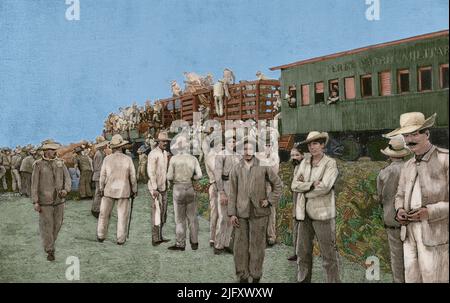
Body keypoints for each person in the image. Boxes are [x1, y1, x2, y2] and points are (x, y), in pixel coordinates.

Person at [386, 112, 448, 283]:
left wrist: (429, 212)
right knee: (412, 278)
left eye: (414, 134)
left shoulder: (445, 159)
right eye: (406, 135)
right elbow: (399, 195)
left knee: (434, 278)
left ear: (427, 134)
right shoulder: (407, 165)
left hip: (435, 235)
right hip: (409, 234)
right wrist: (399, 210)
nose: (409, 139)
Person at [228, 139, 282, 283]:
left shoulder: (263, 165)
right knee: (240, 246)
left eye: (250, 149)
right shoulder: (236, 168)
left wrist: (269, 200)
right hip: (241, 213)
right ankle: (242, 276)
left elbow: (277, 184)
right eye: (244, 149)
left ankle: (256, 275)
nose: (247, 152)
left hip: (259, 212)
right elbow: (232, 192)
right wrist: (232, 213)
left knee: (257, 245)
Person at [291, 131, 340, 283]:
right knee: (302, 254)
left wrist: (304, 191)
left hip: (322, 214)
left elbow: (325, 187)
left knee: (328, 255)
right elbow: (294, 185)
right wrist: (311, 184)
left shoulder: (330, 163)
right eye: (310, 144)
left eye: (315, 144)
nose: (312, 147)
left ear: (322, 145)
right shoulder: (304, 163)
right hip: (303, 214)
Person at [376, 135, 410, 283]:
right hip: (411, 216)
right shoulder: (411, 167)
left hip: (392, 217)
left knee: (396, 255)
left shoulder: (385, 172)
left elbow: (381, 196)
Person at [31, 140, 71, 261]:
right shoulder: (38, 165)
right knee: (47, 226)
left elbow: (67, 178)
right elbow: (34, 184)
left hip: (59, 200)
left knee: (57, 224)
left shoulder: (60, 163)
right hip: (44, 202)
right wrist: (35, 201)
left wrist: (66, 190)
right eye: (52, 150)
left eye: (55, 149)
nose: (54, 152)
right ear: (46, 151)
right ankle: (50, 250)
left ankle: (50, 243)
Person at [97, 134, 138, 245]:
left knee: (104, 214)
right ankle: (120, 239)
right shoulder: (128, 159)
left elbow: (102, 176)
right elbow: (133, 177)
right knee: (122, 215)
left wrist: (101, 188)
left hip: (109, 189)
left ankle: (101, 235)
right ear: (121, 146)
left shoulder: (107, 159)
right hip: (123, 190)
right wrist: (134, 190)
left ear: (113, 147)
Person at [167, 135, 203, 251]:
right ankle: (194, 242)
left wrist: (173, 179)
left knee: (179, 219)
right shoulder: (193, 159)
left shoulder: (174, 159)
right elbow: (200, 175)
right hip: (189, 187)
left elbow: (169, 176)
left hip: (178, 188)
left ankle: (180, 244)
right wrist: (193, 178)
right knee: (192, 217)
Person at [213, 135, 240, 255]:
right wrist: (221, 192)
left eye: (234, 141)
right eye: (229, 141)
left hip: (235, 187)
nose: (232, 143)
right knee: (223, 217)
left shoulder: (237, 156)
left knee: (231, 217)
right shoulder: (221, 155)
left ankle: (226, 243)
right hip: (224, 184)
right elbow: (217, 174)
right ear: (225, 142)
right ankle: (218, 244)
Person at [147, 131, 171, 246]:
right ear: (158, 142)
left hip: (164, 187)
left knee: (163, 213)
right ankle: (155, 237)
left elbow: (165, 171)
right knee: (156, 212)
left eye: (166, 141)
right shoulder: (153, 154)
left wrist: (167, 183)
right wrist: (155, 188)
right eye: (163, 141)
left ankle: (161, 235)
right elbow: (151, 172)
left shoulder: (165, 153)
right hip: (155, 188)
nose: (165, 143)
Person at [287, 144, 305, 261]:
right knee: (296, 226)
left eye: (297, 155)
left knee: (302, 228)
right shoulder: (296, 166)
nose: (294, 157)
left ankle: (301, 253)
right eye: (292, 155)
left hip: (303, 199)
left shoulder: (305, 167)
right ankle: (296, 252)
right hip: (296, 198)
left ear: (302, 155)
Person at [205, 139, 223, 248]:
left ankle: (213, 238)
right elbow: (216, 170)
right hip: (215, 185)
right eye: (221, 145)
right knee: (217, 213)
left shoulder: (216, 155)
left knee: (216, 213)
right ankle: (215, 239)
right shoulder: (211, 156)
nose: (222, 147)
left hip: (218, 185)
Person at [91, 136, 109, 218]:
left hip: (99, 175)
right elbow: (98, 167)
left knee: (99, 193)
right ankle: (96, 210)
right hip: (99, 175)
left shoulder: (101, 153)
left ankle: (98, 209)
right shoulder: (99, 154)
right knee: (99, 193)